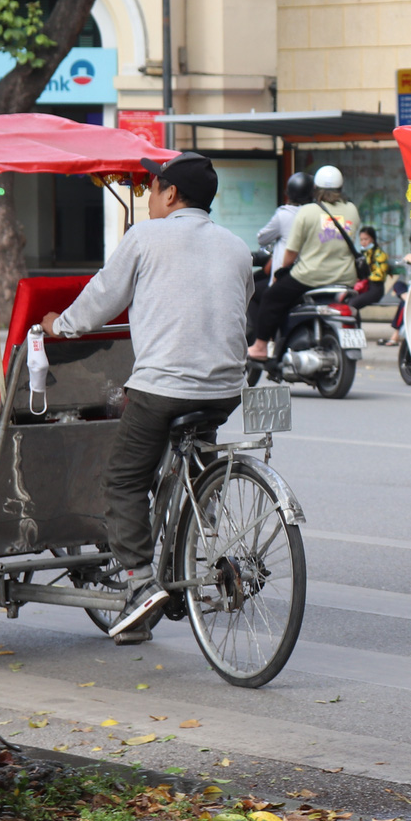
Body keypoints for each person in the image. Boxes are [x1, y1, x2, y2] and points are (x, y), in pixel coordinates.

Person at [39, 153, 252, 644]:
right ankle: (194, 530)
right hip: (224, 388)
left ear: (170, 194)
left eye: (152, 190)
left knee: (124, 480)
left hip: (163, 388)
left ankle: (137, 582)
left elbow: (97, 303)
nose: (149, 200)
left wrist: (59, 324)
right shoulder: (237, 246)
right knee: (192, 465)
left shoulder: (145, 237)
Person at [246, 165, 360, 360]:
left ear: (316, 189)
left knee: (271, 297)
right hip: (345, 277)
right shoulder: (352, 210)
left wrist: (281, 270)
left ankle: (260, 346)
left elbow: (291, 252)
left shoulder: (307, 212)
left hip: (310, 276)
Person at [256, 171, 315, 281]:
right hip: (311, 273)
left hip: (288, 274)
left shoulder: (284, 214)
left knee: (267, 297)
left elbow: (262, 238)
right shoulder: (315, 213)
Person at [351, 225, 390, 309]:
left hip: (375, 289)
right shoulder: (363, 254)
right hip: (365, 287)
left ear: (373, 239)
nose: (363, 242)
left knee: (352, 304)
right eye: (361, 240)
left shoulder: (379, 254)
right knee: (347, 301)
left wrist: (366, 278)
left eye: (366, 239)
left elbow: (379, 276)